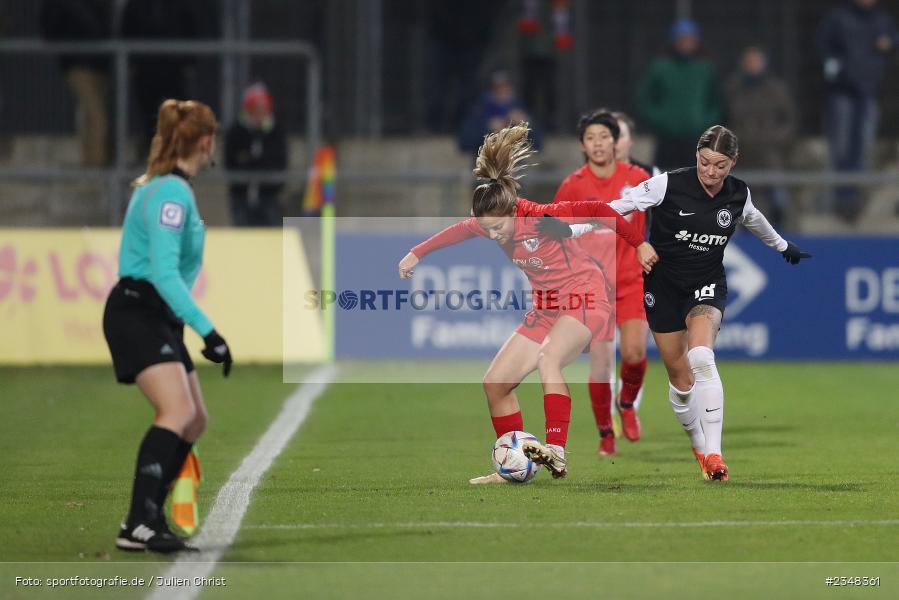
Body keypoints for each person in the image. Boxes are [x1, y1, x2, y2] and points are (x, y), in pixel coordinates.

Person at [398, 123, 658, 484]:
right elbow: (459, 230)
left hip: (586, 297)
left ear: (512, 211)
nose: (492, 235)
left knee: (548, 358)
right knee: (495, 383)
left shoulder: (540, 217)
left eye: (497, 228)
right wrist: (416, 253)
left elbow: (600, 209)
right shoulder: (491, 218)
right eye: (486, 229)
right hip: (548, 308)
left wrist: (638, 243)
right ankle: (513, 466)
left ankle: (558, 452)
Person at [596, 125, 811, 481]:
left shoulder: (738, 194)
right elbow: (615, 208)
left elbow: (755, 220)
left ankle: (715, 455)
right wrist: (586, 231)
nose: (711, 172)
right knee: (681, 381)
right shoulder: (666, 184)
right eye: (705, 162)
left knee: (700, 356)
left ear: (734, 162)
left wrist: (783, 247)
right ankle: (699, 446)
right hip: (662, 287)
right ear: (695, 155)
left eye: (721, 166)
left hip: (706, 284)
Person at [103, 99, 233, 552]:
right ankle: (138, 523)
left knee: (194, 418)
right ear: (205, 141)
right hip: (138, 310)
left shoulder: (164, 187)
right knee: (176, 413)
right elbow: (162, 273)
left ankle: (147, 518)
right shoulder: (171, 193)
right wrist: (209, 331)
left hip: (155, 313)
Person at [551, 109, 651, 457]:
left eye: (604, 137)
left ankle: (626, 403)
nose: (597, 144)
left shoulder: (638, 177)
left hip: (630, 280)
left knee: (636, 355)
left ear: (616, 142)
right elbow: (553, 229)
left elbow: (662, 215)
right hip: (592, 288)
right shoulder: (573, 184)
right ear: (582, 145)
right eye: (590, 138)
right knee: (601, 364)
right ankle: (606, 433)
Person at [817, 0, 898, 222]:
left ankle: (855, 201)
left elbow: (891, 45)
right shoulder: (839, 17)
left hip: (869, 93)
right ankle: (840, 199)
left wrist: (888, 45)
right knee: (841, 147)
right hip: (842, 92)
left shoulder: (882, 21)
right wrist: (836, 73)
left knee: (863, 147)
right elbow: (825, 48)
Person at [637, 18, 723, 170]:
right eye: (682, 39)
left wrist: (704, 122)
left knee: (695, 181)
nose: (686, 43)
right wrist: (661, 120)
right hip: (666, 138)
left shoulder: (705, 69)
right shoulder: (660, 68)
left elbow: (717, 102)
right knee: (663, 180)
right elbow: (645, 100)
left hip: (696, 138)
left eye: (690, 39)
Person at [726, 46, 797, 228]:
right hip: (742, 157)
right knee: (740, 205)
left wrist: (775, 139)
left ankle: (784, 235)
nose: (752, 66)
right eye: (748, 62)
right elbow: (725, 120)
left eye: (756, 62)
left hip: (771, 156)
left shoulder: (776, 90)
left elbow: (789, 121)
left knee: (779, 201)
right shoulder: (734, 90)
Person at [121, 0, 202, 156]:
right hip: (146, 68)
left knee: (179, 111)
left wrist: (189, 62)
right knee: (148, 113)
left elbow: (191, 29)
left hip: (174, 67)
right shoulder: (136, 5)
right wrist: (132, 62)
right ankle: (150, 152)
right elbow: (126, 31)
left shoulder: (180, 5)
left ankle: (181, 151)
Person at [39, 0, 112, 167]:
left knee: (91, 115)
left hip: (100, 63)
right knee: (97, 116)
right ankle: (94, 166)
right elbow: (49, 23)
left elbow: (104, 26)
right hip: (77, 62)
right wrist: (65, 48)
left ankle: (90, 161)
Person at [224, 83, 288, 227]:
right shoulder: (237, 131)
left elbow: (279, 163)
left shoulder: (276, 131)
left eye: (263, 108)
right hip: (241, 197)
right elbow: (232, 163)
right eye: (255, 108)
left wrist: (250, 160)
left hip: (269, 197)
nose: (260, 113)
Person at [458, 70, 544, 155]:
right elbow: (465, 143)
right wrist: (488, 128)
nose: (502, 92)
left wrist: (525, 126)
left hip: (514, 162)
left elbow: (538, 144)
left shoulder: (518, 107)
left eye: (505, 87)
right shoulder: (480, 109)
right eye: (498, 88)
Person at [612, 111, 660, 177]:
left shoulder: (651, 173)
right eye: (609, 136)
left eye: (620, 136)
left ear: (631, 139)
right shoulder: (593, 174)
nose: (615, 141)